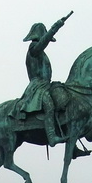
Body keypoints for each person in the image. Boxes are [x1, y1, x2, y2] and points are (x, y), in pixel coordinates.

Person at [17, 11, 73, 145]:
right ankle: (52, 137)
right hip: (37, 86)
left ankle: (71, 138)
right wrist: (55, 28)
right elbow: (42, 43)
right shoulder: (33, 48)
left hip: (47, 84)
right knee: (49, 105)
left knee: (66, 100)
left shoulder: (41, 52)